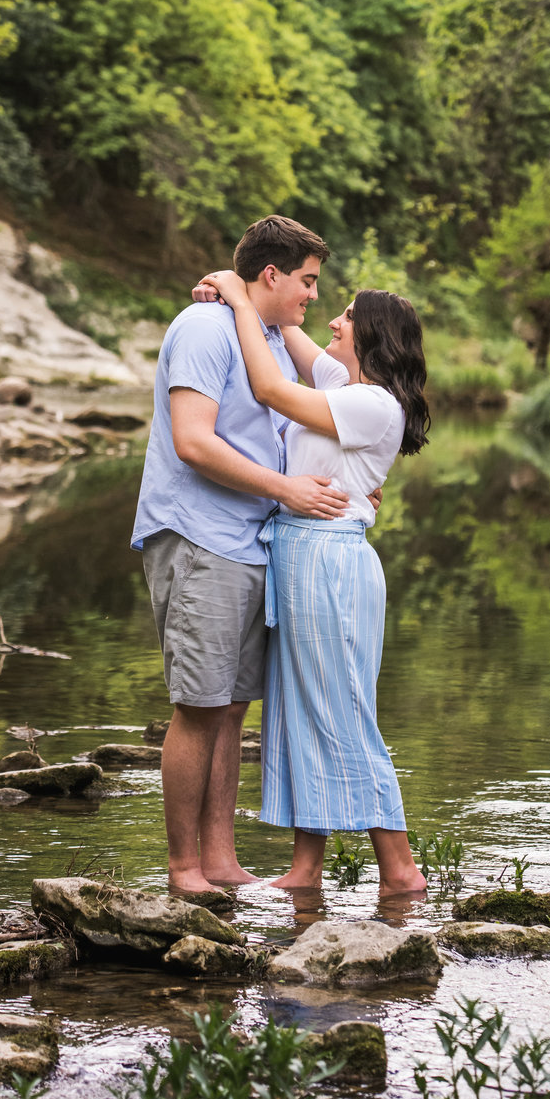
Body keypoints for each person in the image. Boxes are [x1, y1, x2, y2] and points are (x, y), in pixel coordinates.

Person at [131, 215, 353, 896]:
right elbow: (194, 442)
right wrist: (287, 489)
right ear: (273, 275)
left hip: (250, 542)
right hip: (199, 535)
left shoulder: (268, 338)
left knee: (231, 707)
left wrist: (234, 290)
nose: (313, 295)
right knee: (199, 704)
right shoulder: (203, 328)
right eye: (308, 281)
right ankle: (182, 868)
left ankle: (221, 862)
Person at [198, 266, 430, 895]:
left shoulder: (370, 403)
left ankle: (400, 868)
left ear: (373, 335)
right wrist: (235, 294)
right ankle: (307, 869)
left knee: (344, 711)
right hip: (300, 559)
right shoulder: (342, 381)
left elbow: (271, 387)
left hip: (328, 563)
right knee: (301, 709)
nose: (333, 319)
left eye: (348, 316)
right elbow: (286, 327)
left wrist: (243, 299)